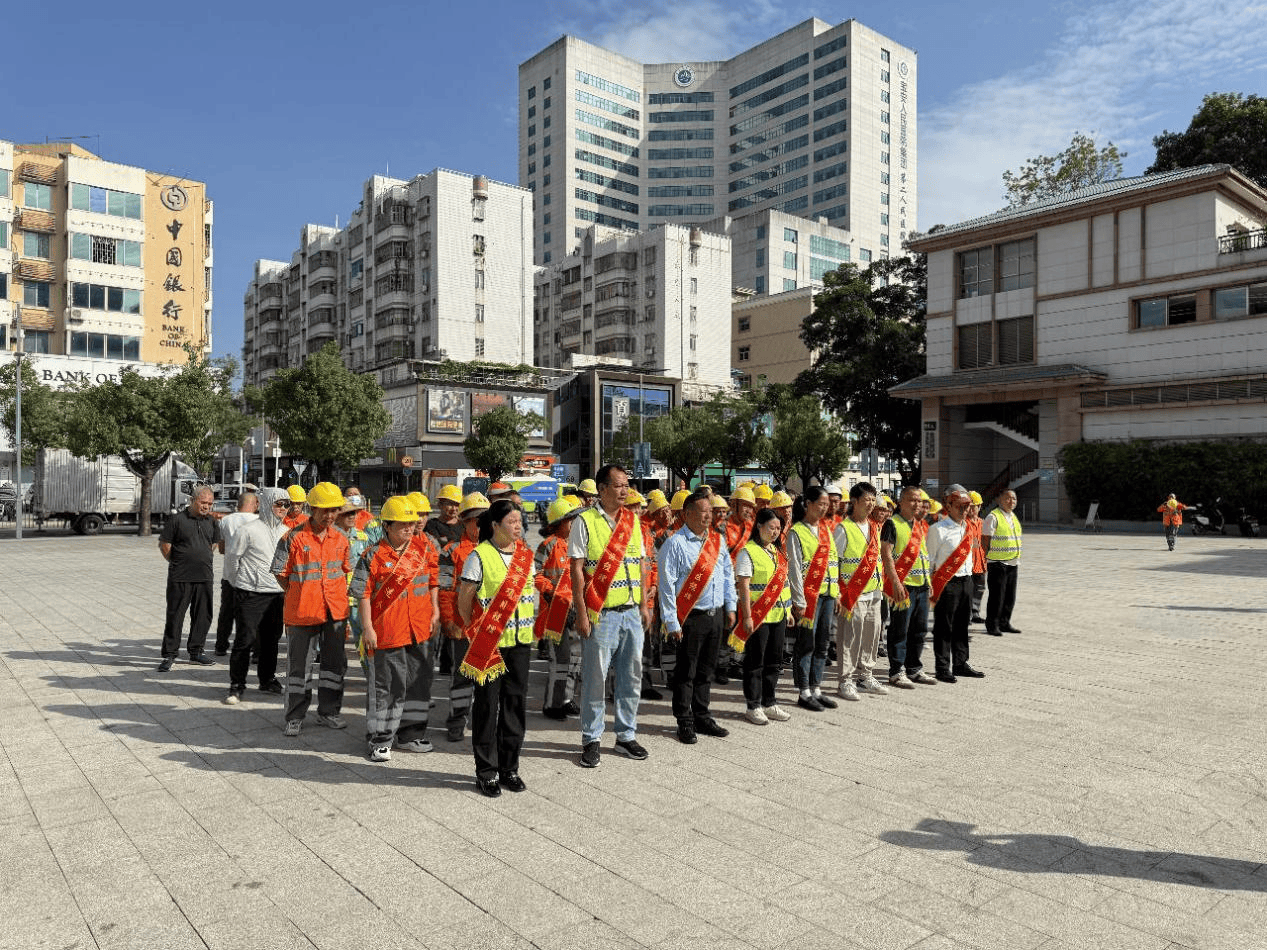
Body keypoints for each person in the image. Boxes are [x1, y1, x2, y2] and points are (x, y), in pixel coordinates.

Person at [569, 464, 651, 768]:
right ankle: (591, 739)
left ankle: (626, 735)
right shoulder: (585, 521)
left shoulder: (632, 521)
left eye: (626, 485)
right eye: (618, 485)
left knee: (631, 676)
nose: (624, 490)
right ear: (602, 489)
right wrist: (581, 612)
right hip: (600, 613)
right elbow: (576, 570)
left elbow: (641, 564)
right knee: (595, 678)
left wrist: (644, 605)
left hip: (631, 613)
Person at [457, 500, 538, 797]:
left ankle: (509, 768)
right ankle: (486, 771)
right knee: (488, 707)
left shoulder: (526, 557)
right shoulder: (479, 556)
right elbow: (464, 598)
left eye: (520, 522)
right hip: (490, 643)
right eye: (512, 522)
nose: (518, 526)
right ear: (495, 525)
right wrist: (472, 630)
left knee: (515, 706)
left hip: (520, 643)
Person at [351, 495, 440, 762]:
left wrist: (435, 609)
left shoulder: (424, 549)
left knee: (418, 684)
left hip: (420, 628)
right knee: (387, 687)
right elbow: (362, 594)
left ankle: (411, 734)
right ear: (387, 525)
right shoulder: (372, 555)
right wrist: (367, 627)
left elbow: (433, 581)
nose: (410, 529)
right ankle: (380, 739)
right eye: (403, 524)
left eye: (411, 524)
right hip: (388, 631)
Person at [271, 482, 352, 736]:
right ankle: (295, 716)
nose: (329, 515)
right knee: (299, 668)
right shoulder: (293, 537)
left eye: (334, 510)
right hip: (302, 611)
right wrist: (299, 593)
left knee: (334, 665)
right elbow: (280, 573)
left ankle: (329, 712)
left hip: (335, 612)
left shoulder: (341, 538)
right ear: (312, 508)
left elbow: (345, 572)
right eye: (324, 510)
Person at [658, 490, 737, 743]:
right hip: (690, 618)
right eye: (704, 512)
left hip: (715, 616)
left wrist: (730, 606)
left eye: (711, 512)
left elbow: (727, 575)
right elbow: (666, 586)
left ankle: (702, 715)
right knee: (687, 672)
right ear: (687, 514)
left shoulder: (717, 541)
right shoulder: (674, 544)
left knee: (706, 670)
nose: (708, 516)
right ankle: (684, 720)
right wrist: (671, 621)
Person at [223, 488, 290, 703]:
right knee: (245, 639)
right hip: (250, 592)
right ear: (267, 503)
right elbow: (232, 559)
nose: (283, 509)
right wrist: (239, 583)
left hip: (277, 593)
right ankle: (237, 685)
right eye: (278, 504)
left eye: (286, 505)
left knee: (271, 640)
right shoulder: (248, 530)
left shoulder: (287, 531)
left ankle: (267, 679)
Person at [733, 508, 792, 725]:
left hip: (778, 614)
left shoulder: (777, 552)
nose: (775, 532)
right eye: (771, 527)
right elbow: (744, 587)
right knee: (755, 661)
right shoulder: (747, 552)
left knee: (774, 662)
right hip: (758, 616)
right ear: (759, 526)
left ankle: (770, 701)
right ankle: (753, 705)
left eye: (778, 528)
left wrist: (788, 609)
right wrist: (747, 616)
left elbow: (784, 585)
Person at [439, 493, 490, 742]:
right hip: (463, 626)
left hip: (493, 625)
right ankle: (457, 720)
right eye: (475, 521)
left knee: (490, 676)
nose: (480, 526)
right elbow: (445, 590)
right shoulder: (451, 552)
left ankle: (486, 720)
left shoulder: (502, 550)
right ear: (465, 522)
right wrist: (448, 621)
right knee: (462, 676)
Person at [787, 486, 841, 712]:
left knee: (822, 643)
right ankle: (804, 691)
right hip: (809, 597)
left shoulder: (827, 529)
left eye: (827, 504)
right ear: (807, 504)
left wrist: (837, 592)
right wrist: (799, 600)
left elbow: (834, 561)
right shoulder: (796, 532)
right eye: (821, 503)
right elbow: (795, 569)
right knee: (806, 643)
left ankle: (817, 687)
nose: (825, 508)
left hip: (828, 594)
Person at [156, 486, 221, 671]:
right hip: (180, 577)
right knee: (175, 616)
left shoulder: (212, 522)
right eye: (203, 502)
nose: (206, 506)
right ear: (193, 500)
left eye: (210, 503)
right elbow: (165, 545)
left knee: (203, 616)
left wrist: (202, 556)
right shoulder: (177, 520)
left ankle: (196, 652)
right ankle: (169, 655)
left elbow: (214, 543)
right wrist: (179, 561)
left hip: (205, 576)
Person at [833, 482, 887, 701]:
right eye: (867, 500)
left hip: (874, 592)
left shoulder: (875, 527)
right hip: (852, 594)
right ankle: (845, 680)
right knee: (849, 638)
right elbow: (833, 562)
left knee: (871, 636)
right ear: (854, 502)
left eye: (873, 500)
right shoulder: (843, 528)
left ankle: (866, 676)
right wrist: (838, 592)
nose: (871, 504)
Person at [882, 486, 937, 689]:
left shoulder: (920, 525)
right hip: (903, 586)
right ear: (901, 502)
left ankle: (914, 668)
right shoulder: (892, 523)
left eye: (919, 500)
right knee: (899, 629)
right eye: (912, 500)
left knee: (919, 629)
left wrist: (928, 582)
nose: (917, 504)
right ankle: (896, 671)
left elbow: (923, 555)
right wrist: (895, 582)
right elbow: (886, 555)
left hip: (921, 585)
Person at [927, 489, 984, 683]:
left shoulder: (967, 527)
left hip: (966, 581)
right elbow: (930, 560)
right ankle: (942, 667)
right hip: (947, 583)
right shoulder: (938, 529)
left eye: (967, 506)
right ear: (948, 506)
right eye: (959, 506)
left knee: (962, 625)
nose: (964, 510)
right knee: (944, 627)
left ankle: (961, 663)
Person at [536, 496, 585, 719]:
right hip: (554, 611)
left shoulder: (581, 545)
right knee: (560, 659)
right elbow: (534, 574)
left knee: (576, 657)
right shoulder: (547, 546)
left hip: (576, 610)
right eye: (570, 520)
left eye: (576, 519)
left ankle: (566, 699)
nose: (574, 524)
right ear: (557, 523)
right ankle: (552, 704)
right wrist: (549, 591)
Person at [426, 484, 466, 677]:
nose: (453, 509)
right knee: (440, 621)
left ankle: (450, 664)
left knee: (455, 622)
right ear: (440, 504)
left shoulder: (465, 526)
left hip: (460, 581)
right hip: (437, 580)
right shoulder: (432, 526)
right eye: (449, 504)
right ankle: (438, 664)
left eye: (457, 504)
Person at [213, 491, 259, 656]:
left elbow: (222, 549)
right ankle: (252, 646)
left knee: (226, 613)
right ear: (255, 504)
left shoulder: (225, 521)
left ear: (238, 504)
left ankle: (221, 645)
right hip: (252, 577)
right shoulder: (259, 521)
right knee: (251, 614)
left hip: (230, 575)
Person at [982, 489, 1023, 636]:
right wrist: (984, 558)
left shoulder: (1012, 516)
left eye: (1014, 499)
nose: (1011, 501)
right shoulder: (993, 517)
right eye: (1008, 499)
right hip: (997, 562)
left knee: (1009, 596)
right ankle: (992, 625)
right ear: (1000, 500)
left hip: (1012, 562)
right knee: (997, 596)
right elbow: (985, 539)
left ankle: (1004, 622)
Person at [966, 491, 988, 624]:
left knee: (979, 588)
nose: (972, 509)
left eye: (974, 506)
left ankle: (975, 612)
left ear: (980, 507)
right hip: (967, 564)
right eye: (969, 506)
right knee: (967, 591)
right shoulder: (963, 523)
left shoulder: (983, 523)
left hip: (981, 562)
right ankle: (966, 614)